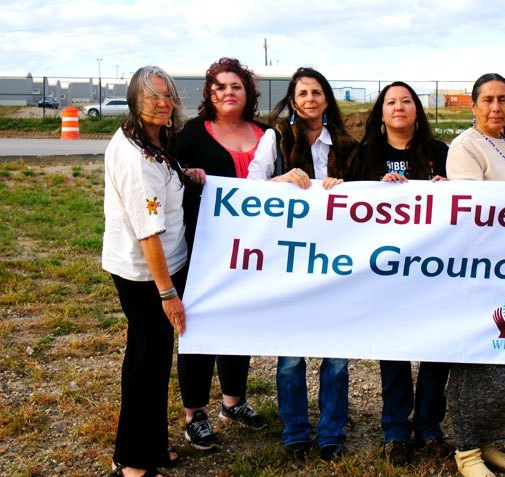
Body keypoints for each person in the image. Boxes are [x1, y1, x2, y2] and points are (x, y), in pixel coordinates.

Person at [249, 67, 358, 460]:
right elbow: (249, 184)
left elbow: (371, 195)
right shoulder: (274, 139)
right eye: (302, 93)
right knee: (291, 355)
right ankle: (295, 429)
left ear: (326, 99)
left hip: (337, 259)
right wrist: (280, 180)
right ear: (293, 100)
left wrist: (349, 188)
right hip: (289, 258)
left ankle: (332, 432)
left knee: (336, 354)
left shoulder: (346, 144)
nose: (309, 99)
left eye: (316, 92)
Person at [102, 66, 205, 477]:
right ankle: (132, 463)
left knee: (152, 361)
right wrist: (168, 295)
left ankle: (148, 448)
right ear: (134, 100)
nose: (162, 103)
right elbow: (148, 233)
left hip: (161, 267)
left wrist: (186, 176)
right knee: (147, 364)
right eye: (152, 97)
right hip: (145, 275)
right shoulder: (133, 156)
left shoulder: (154, 140)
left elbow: (166, 185)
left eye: (167, 95)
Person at [445, 73, 505, 477]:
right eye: (488, 100)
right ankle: (466, 452)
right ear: (474, 105)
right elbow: (475, 207)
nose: (496, 107)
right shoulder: (466, 146)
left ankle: (487, 441)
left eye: (503, 99)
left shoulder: (503, 142)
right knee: (472, 362)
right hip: (480, 269)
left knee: (499, 361)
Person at [355, 81, 452, 467]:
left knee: (435, 348)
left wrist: (449, 188)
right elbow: (345, 203)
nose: (399, 107)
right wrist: (375, 193)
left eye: (406, 101)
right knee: (392, 348)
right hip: (386, 270)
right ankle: (395, 430)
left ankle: (428, 426)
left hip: (436, 268)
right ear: (381, 112)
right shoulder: (365, 155)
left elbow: (474, 203)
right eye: (391, 102)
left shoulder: (440, 153)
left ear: (417, 109)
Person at [175, 57, 269, 451]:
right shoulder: (192, 133)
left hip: (253, 248)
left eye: (235, 86)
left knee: (239, 322)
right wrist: (186, 173)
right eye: (219, 87)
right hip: (201, 247)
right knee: (197, 326)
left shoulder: (267, 134)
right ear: (209, 95)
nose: (227, 93)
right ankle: (194, 415)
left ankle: (234, 401)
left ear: (248, 92)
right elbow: (165, 171)